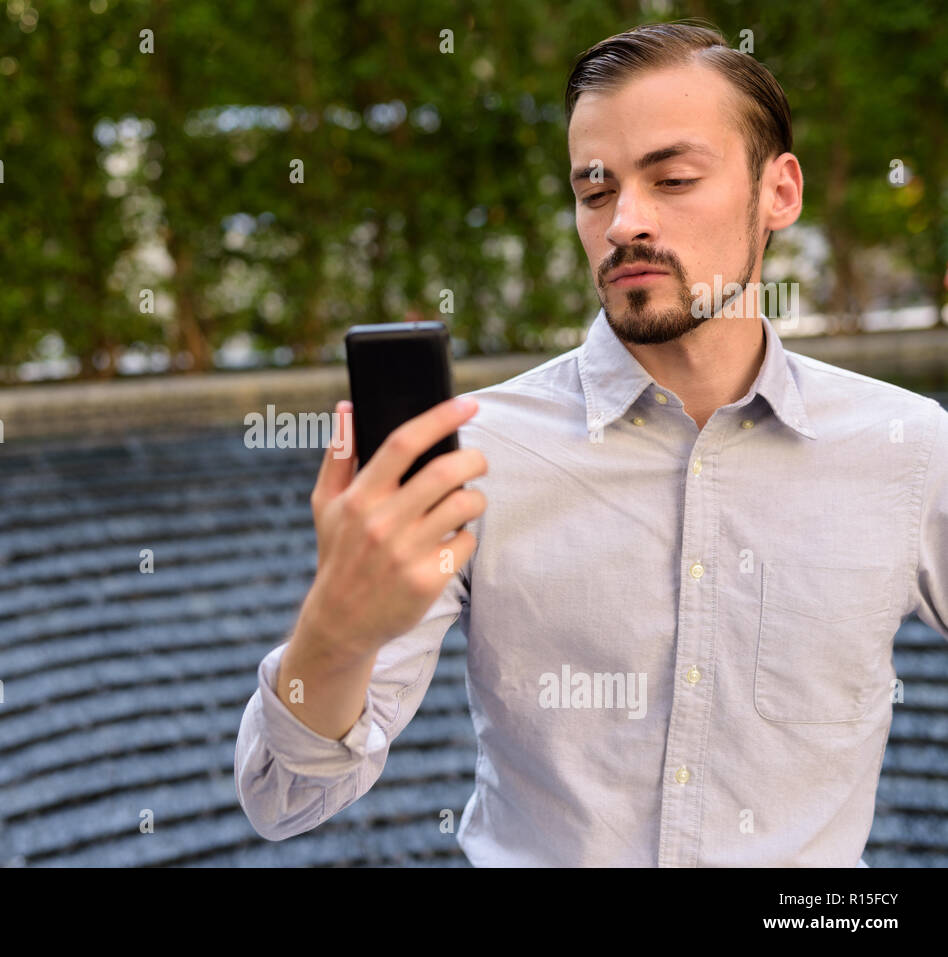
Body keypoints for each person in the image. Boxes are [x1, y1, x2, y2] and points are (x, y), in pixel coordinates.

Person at [234, 21, 948, 866]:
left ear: (779, 192)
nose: (624, 223)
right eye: (595, 189)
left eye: (673, 179)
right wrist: (336, 630)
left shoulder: (910, 447)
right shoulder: (477, 450)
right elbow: (284, 799)